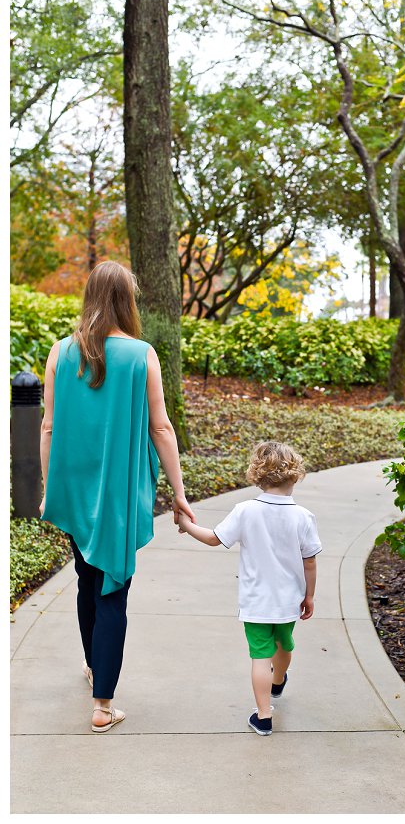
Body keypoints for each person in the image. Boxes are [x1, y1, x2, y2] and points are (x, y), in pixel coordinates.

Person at [41, 260, 196, 733]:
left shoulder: (60, 353)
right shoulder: (141, 354)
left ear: (89, 296)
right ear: (127, 300)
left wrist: (51, 489)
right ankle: (103, 704)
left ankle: (94, 666)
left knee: (88, 579)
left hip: (76, 490)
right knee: (113, 590)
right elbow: (161, 427)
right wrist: (180, 493)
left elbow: (48, 425)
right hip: (118, 494)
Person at [176, 441, 321, 736]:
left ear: (257, 475)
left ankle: (264, 715)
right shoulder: (303, 517)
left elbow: (214, 538)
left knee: (260, 656)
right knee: (284, 644)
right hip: (288, 601)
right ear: (295, 475)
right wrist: (309, 595)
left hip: (256, 602)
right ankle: (278, 681)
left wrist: (185, 524)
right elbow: (310, 563)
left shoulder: (245, 511)